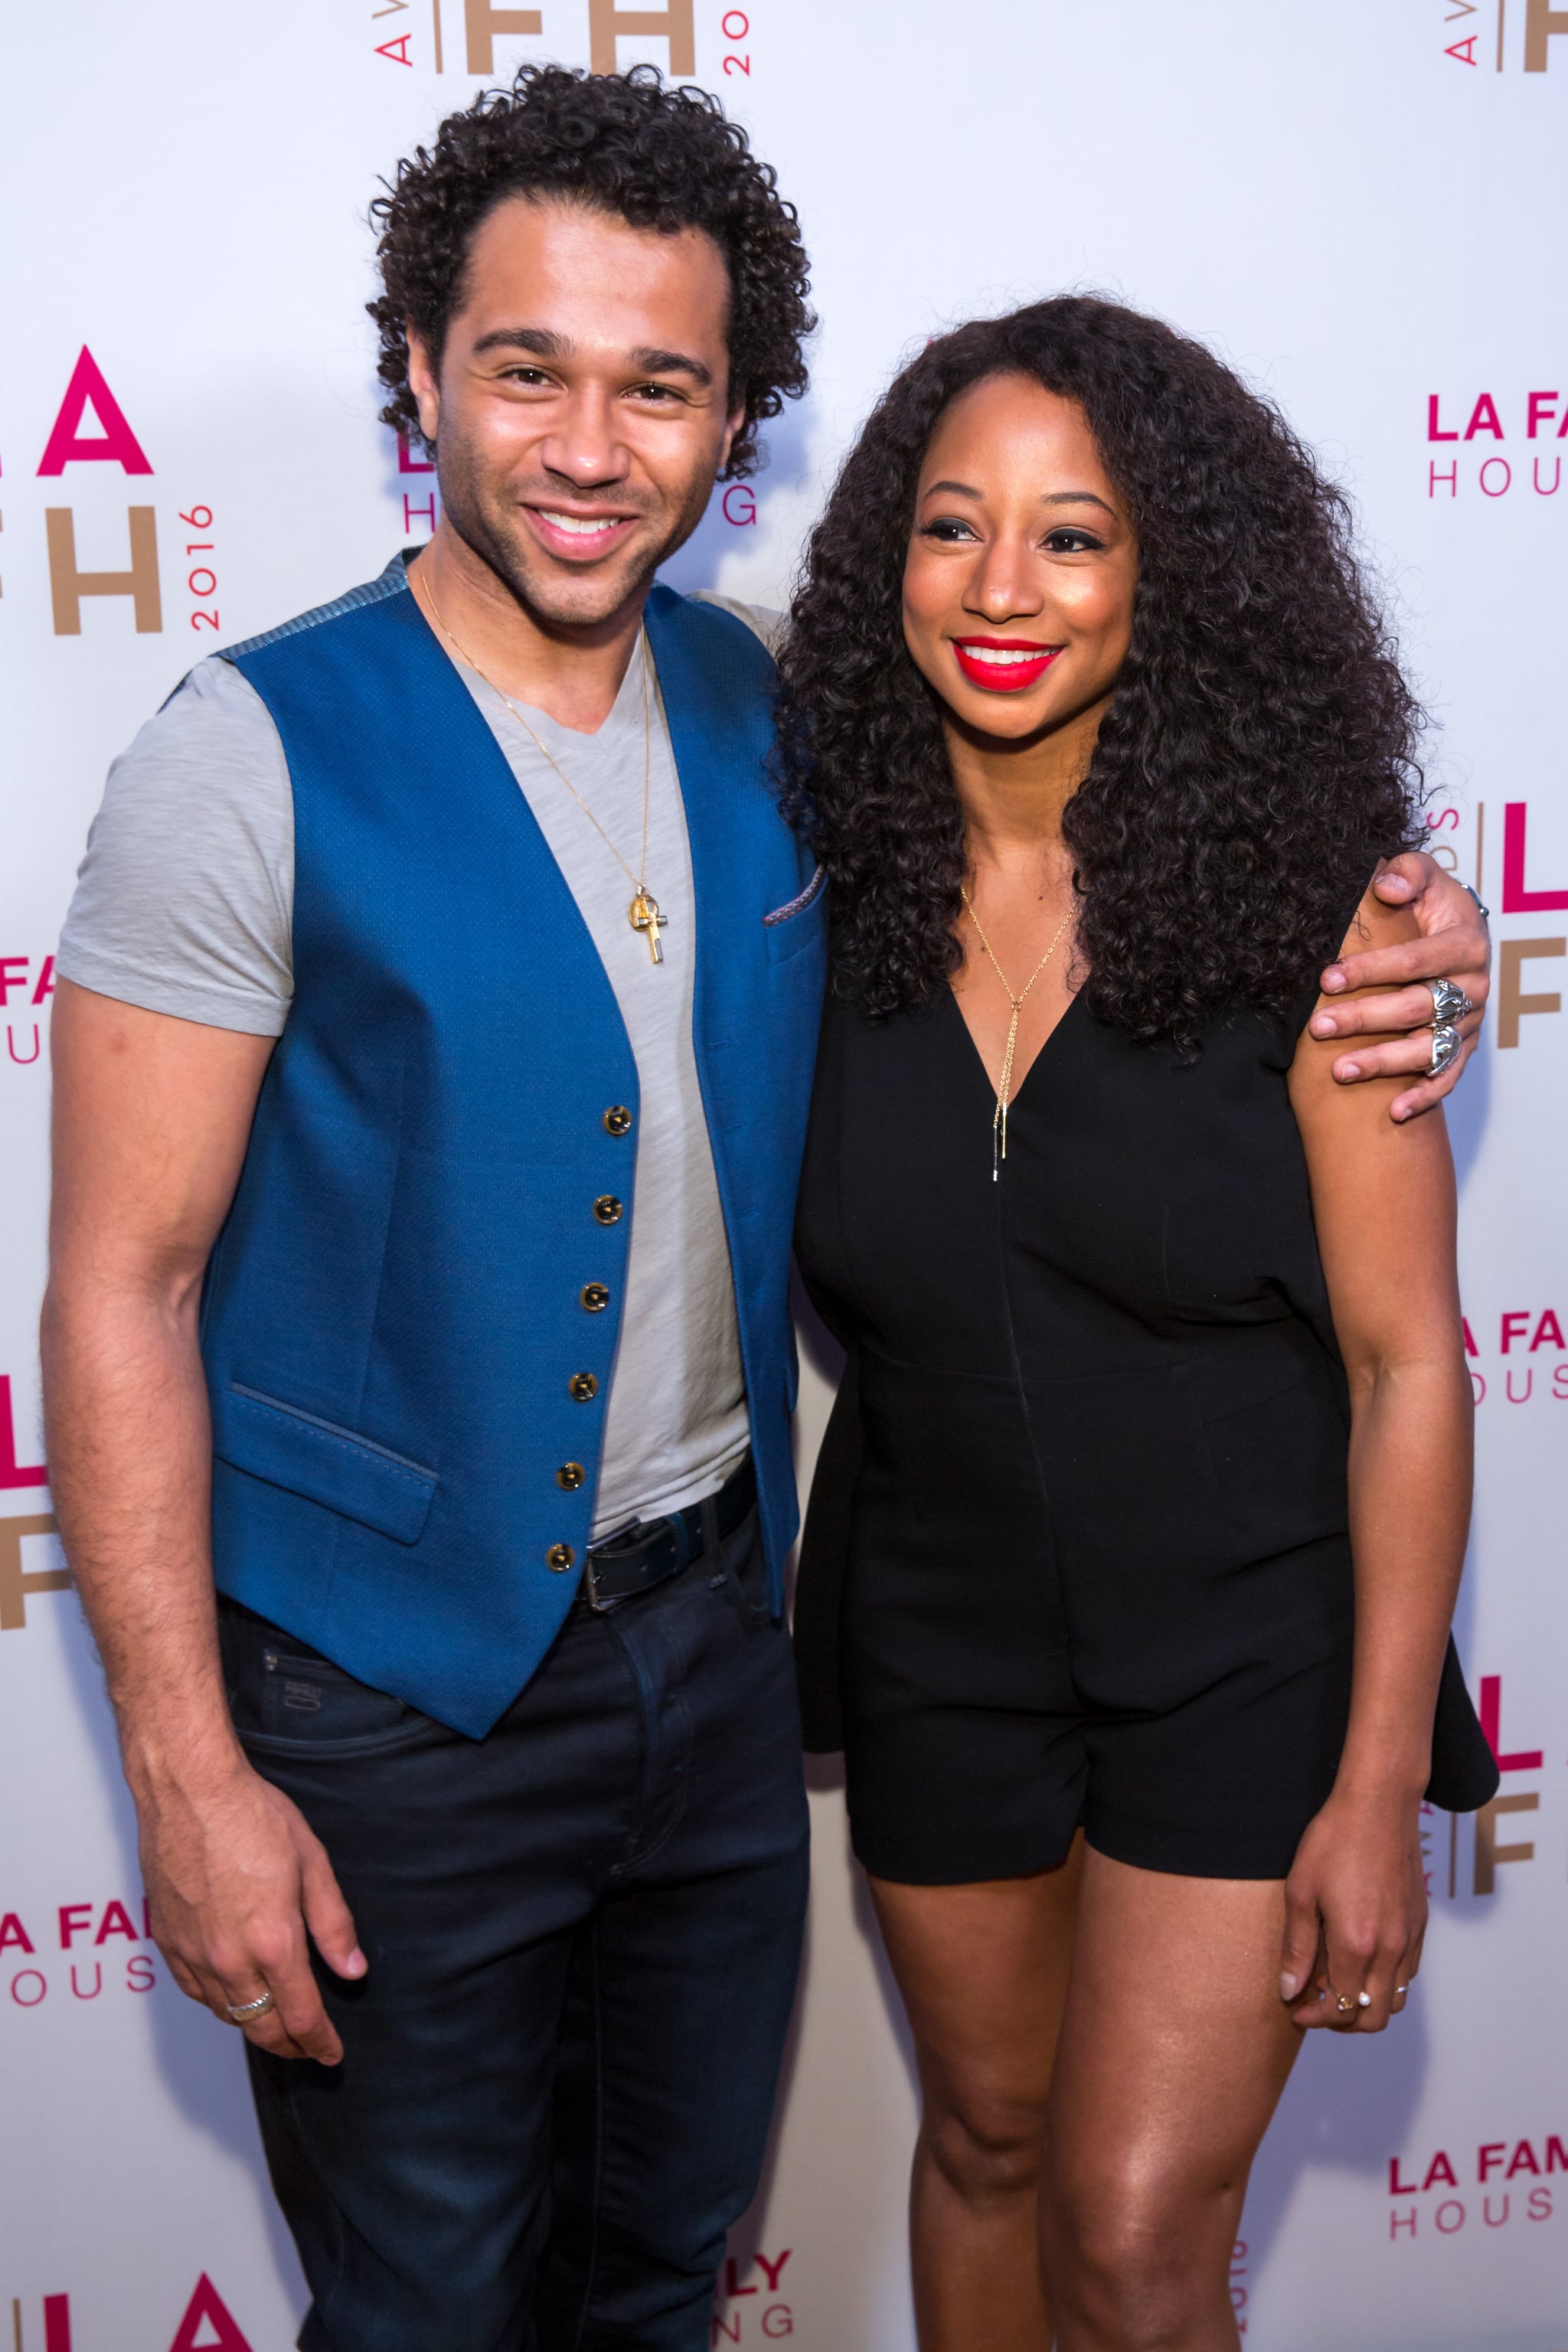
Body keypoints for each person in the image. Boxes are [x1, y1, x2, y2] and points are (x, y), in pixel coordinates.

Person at [41, 64, 1483, 2352]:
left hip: (722, 1662)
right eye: (527, 368)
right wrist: (189, 1775)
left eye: (661, 386)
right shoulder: (254, 751)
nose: (591, 445)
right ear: (419, 370)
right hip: (401, 1707)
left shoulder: (770, 718)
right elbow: (121, 1283)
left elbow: (1179, 888)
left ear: (738, 427)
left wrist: (1417, 919)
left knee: (663, 2277)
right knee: (427, 2303)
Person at [780, 297, 1498, 2352]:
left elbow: (1407, 1364)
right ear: (880, 563)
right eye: (952, 526)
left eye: (1074, 534)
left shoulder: (1328, 921)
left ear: (1169, 569)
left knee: (1126, 2224)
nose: (1003, 589)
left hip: (1249, 1652)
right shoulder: (801, 883)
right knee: (991, 2154)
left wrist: (1376, 1785)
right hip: (938, 1630)